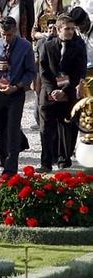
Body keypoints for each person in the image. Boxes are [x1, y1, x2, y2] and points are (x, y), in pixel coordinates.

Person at [0, 17, 37, 176]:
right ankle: (3, 156)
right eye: (3, 34)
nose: (6, 38)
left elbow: (31, 72)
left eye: (9, 34)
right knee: (0, 128)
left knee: (13, 128)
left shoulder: (25, 47)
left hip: (15, 92)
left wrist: (16, 86)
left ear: (15, 31)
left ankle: (11, 166)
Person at [39, 15, 86, 171]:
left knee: (67, 128)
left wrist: (64, 91)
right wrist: (52, 90)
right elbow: (44, 71)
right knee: (46, 129)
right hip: (49, 94)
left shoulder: (79, 48)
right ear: (58, 30)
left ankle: (64, 161)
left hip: (68, 95)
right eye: (67, 29)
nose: (70, 32)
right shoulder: (47, 46)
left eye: (72, 29)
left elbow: (79, 72)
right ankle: (46, 162)